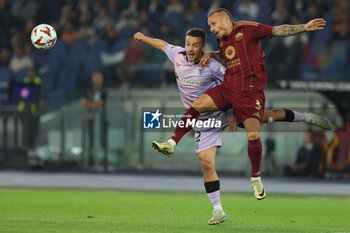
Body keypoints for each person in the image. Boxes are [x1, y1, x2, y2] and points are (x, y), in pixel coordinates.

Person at [134, 26, 331, 225]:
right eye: (188, 44)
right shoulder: (177, 56)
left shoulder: (211, 65)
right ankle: (218, 210)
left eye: (196, 45)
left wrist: (237, 111)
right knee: (206, 163)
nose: (191, 49)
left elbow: (234, 86)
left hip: (224, 109)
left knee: (268, 117)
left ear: (203, 48)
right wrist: (143, 37)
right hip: (204, 120)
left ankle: (305, 117)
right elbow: (162, 45)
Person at [82, 72, 107, 167]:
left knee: (101, 140)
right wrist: (92, 104)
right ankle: (90, 160)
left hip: (101, 120)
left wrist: (91, 103)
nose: (96, 80)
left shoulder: (103, 91)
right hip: (90, 119)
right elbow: (84, 104)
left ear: (102, 79)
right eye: (95, 77)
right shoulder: (88, 90)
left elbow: (98, 104)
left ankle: (102, 161)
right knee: (90, 140)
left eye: (98, 77)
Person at [18, 67, 41, 148]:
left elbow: (38, 95)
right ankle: (26, 145)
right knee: (25, 129)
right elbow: (21, 95)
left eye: (32, 73)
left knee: (33, 130)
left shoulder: (38, 82)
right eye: (29, 73)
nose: (30, 75)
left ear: (35, 73)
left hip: (34, 109)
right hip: (24, 109)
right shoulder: (25, 81)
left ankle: (33, 145)